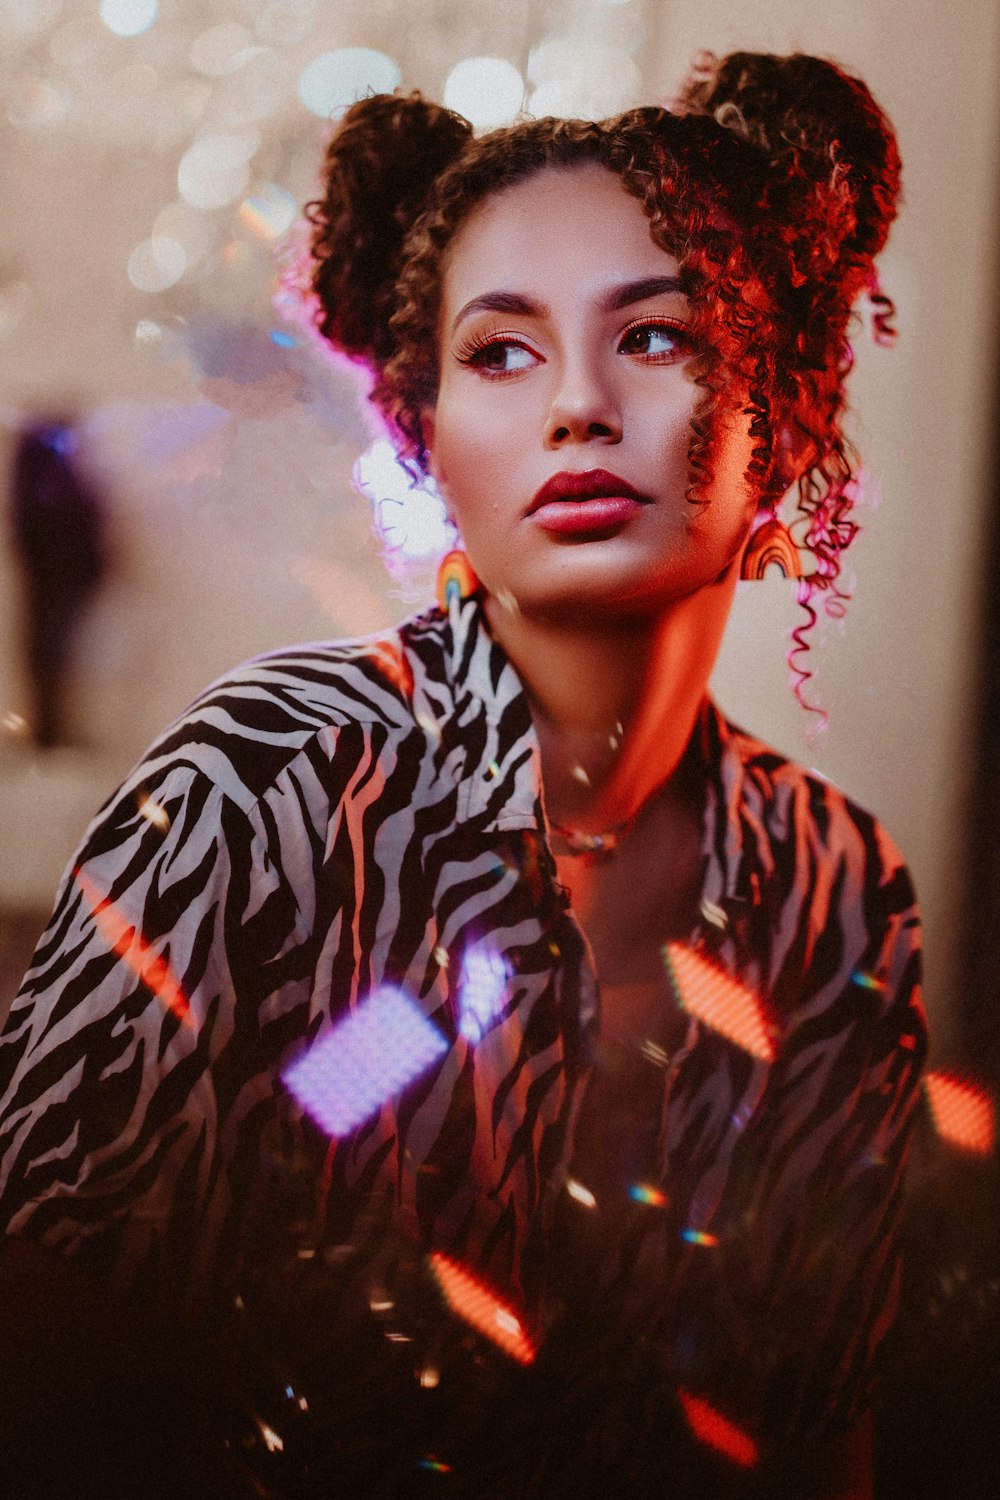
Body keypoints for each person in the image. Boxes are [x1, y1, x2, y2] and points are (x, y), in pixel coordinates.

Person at [0, 51, 927, 1499]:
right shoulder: (265, 792)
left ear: (789, 419)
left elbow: (816, 1426)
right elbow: (45, 1368)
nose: (575, 406)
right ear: (427, 431)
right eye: (501, 349)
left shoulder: (839, 887)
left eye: (657, 337)